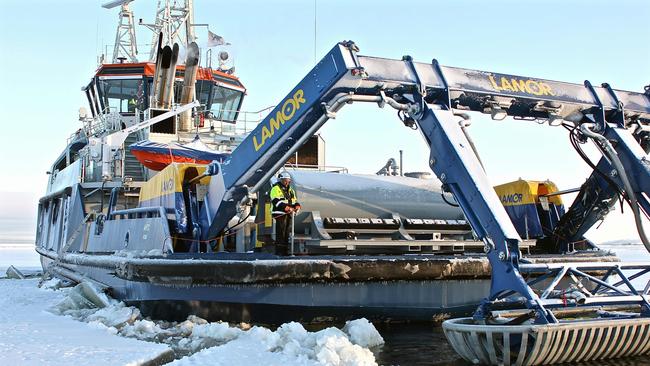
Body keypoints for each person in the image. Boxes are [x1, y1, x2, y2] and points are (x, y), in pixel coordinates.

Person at [270, 171, 301, 255]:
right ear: (280, 180)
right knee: (281, 232)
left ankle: (285, 251)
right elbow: (276, 201)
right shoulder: (275, 188)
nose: (286, 182)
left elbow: (294, 201)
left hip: (289, 213)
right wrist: (286, 208)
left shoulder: (291, 190)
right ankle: (279, 252)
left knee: (287, 232)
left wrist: (297, 206)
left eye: (288, 180)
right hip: (279, 213)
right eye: (285, 180)